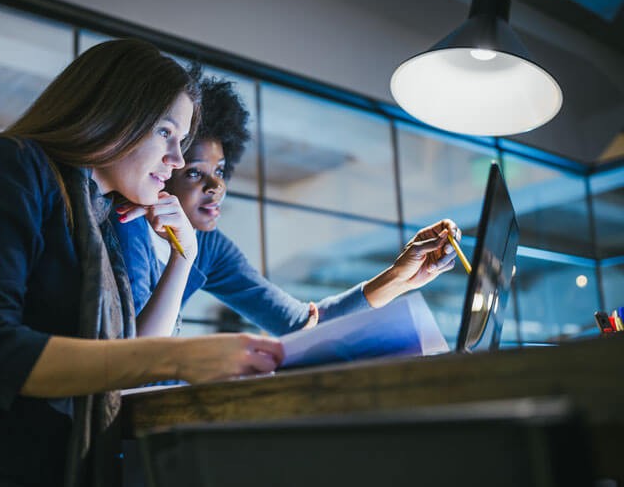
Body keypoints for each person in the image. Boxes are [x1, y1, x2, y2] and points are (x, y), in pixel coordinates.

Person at [0, 40, 283, 487]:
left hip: (50, 465)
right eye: (165, 133)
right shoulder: (10, 165)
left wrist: (183, 256)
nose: (175, 160)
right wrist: (181, 356)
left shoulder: (99, 215)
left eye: (182, 142)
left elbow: (131, 365)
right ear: (115, 111)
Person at [114, 72, 461, 337]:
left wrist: (401, 276)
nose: (216, 186)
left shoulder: (207, 246)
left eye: (220, 171)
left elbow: (300, 324)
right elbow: (137, 354)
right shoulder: (126, 226)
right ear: (166, 168)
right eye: (194, 173)